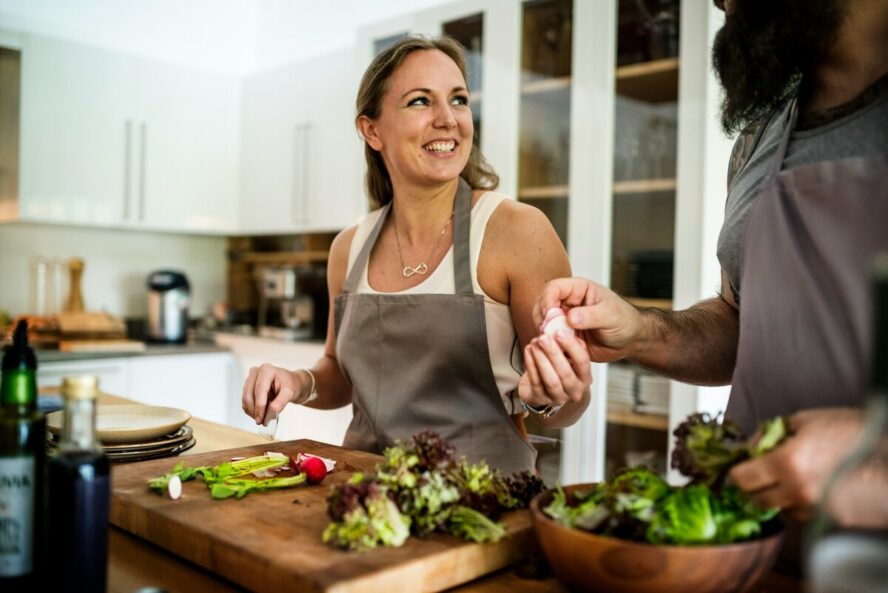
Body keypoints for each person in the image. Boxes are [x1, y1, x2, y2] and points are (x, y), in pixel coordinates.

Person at [535, 0, 888, 569]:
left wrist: (872, 461)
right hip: (748, 554)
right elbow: (740, 323)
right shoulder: (758, 139)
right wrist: (640, 332)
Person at [242, 36, 591, 475]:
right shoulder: (348, 247)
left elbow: (568, 406)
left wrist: (551, 398)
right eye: (421, 101)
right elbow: (338, 372)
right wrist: (298, 382)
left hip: (483, 507)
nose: (448, 119)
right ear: (371, 130)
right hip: (366, 498)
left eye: (459, 99)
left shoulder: (517, 231)